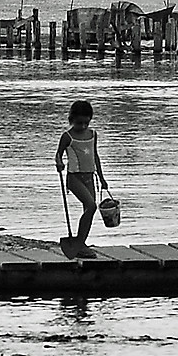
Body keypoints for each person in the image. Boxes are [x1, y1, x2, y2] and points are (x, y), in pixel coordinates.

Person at [55, 99, 111, 255]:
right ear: (72, 119)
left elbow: (95, 156)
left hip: (90, 178)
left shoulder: (93, 134)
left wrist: (102, 178)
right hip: (74, 178)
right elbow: (58, 155)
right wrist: (59, 164)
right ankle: (79, 243)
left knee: (89, 210)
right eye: (80, 123)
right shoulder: (67, 136)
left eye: (86, 123)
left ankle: (81, 244)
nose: (83, 126)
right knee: (91, 205)